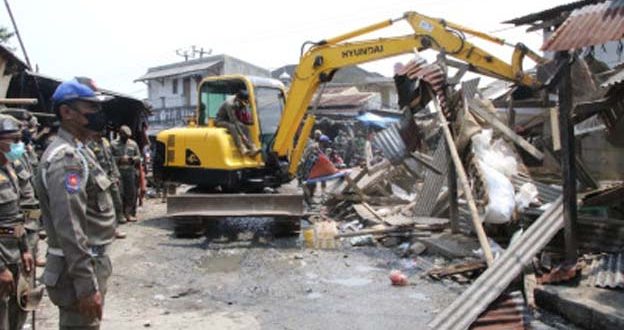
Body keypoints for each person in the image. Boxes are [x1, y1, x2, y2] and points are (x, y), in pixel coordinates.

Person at [34, 80, 116, 330]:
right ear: (67, 112)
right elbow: (71, 228)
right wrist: (86, 286)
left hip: (87, 265)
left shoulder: (80, 151)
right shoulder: (66, 159)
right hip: (77, 271)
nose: (97, 115)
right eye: (90, 108)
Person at [0, 114, 34, 330]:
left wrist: (26, 249)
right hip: (2, 260)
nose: (17, 145)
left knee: (18, 314)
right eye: (12, 140)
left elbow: (18, 216)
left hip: (14, 254)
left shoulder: (10, 168)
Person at [88, 133, 126, 239]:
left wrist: (116, 175)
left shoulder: (105, 143)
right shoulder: (89, 145)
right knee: (103, 205)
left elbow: (111, 160)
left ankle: (114, 228)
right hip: (100, 180)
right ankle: (105, 230)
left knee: (116, 201)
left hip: (111, 177)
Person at [215, 90, 260, 156]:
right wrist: (242, 135)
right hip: (220, 121)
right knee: (232, 127)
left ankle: (252, 147)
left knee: (245, 127)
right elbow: (234, 121)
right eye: (242, 102)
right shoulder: (230, 104)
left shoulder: (239, 99)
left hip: (230, 120)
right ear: (238, 99)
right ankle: (241, 147)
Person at [111, 125, 141, 223]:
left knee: (130, 193)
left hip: (130, 172)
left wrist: (131, 159)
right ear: (120, 134)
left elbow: (139, 157)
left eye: (128, 136)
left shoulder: (133, 144)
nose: (126, 138)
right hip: (118, 172)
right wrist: (119, 159)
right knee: (119, 193)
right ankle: (120, 215)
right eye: (124, 135)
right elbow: (109, 159)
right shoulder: (113, 144)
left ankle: (128, 213)